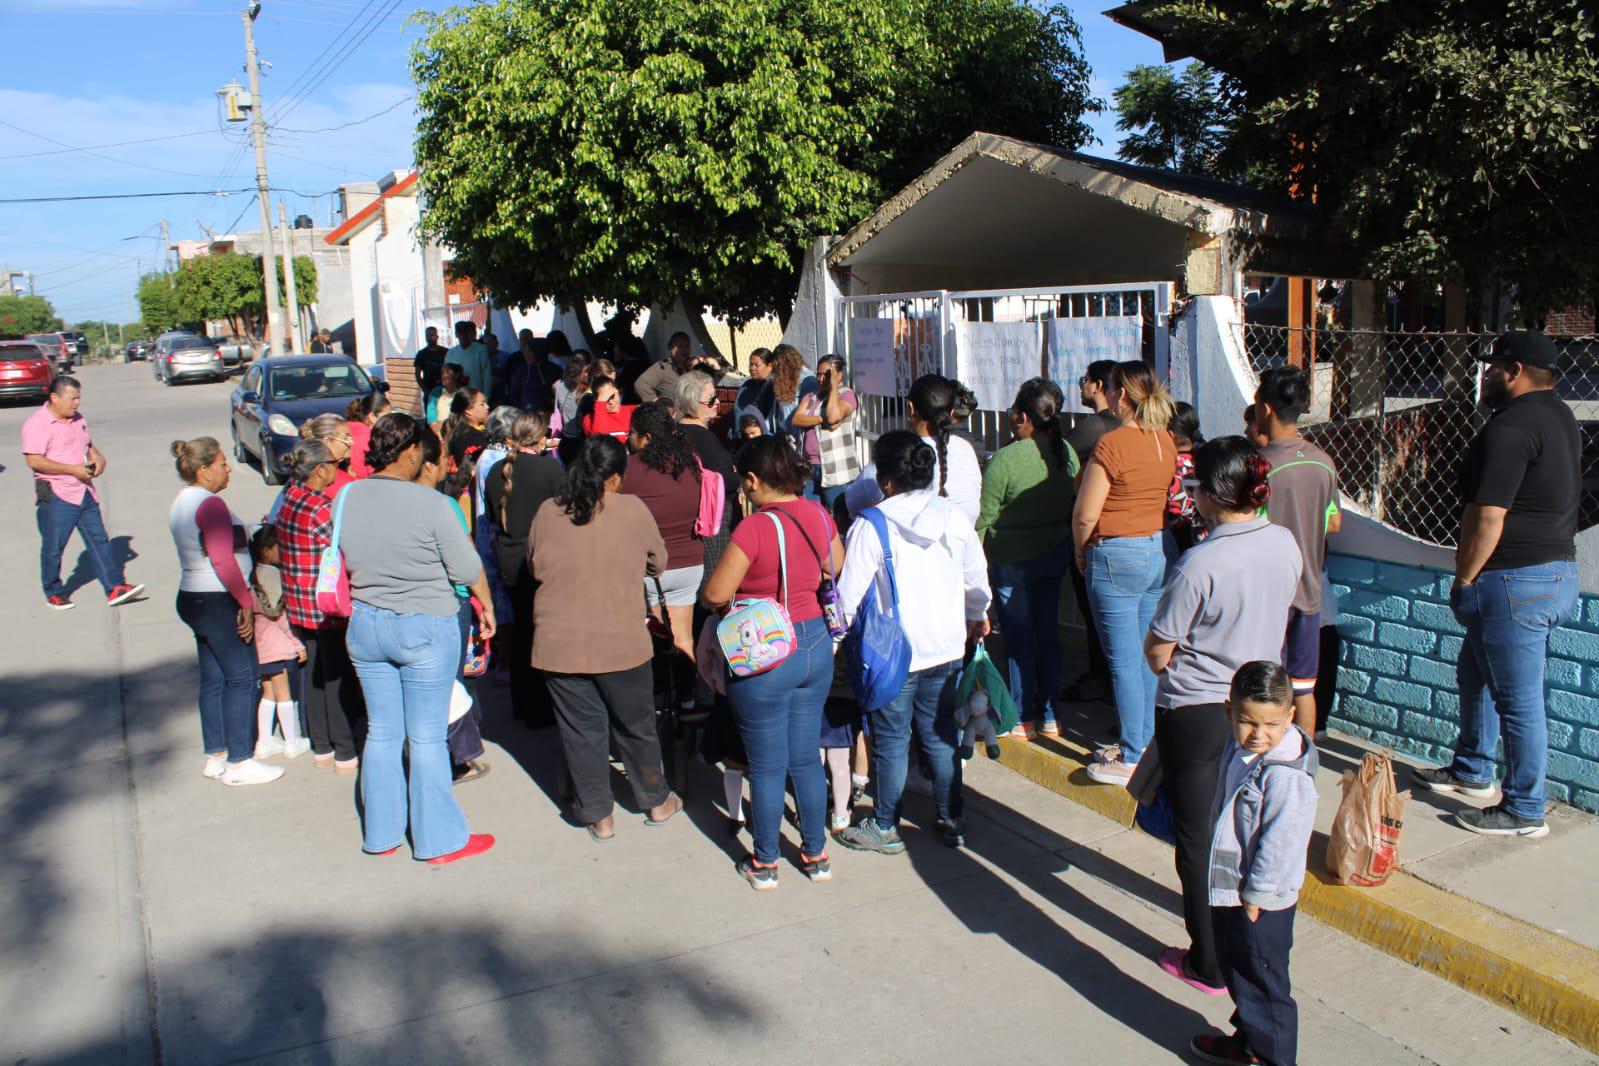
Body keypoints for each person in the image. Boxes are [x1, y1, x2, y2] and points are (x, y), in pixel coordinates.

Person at [1142, 437, 1302, 999]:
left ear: (1212, 495)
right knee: (1239, 832)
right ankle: (1230, 943)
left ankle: (1207, 961)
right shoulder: (1283, 543)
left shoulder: (1200, 561)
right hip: (1258, 709)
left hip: (1199, 710)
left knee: (1198, 838)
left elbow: (1159, 650)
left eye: (1194, 487)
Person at [1415, 331, 1580, 839]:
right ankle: (1472, 770)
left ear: (1516, 371)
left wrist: (1465, 578)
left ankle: (1526, 809)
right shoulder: (1562, 418)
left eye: (1493, 366)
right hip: (1550, 574)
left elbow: (1489, 516)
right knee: (1475, 674)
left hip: (1512, 581)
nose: (1485, 375)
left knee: (1518, 700)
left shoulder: (1509, 427)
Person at [338, 412, 497, 864]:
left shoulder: (347, 496)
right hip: (425, 624)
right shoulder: (429, 503)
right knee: (426, 737)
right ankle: (438, 840)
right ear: (410, 452)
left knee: (382, 731)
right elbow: (466, 569)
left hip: (367, 623)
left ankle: (382, 833)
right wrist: (487, 612)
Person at [835, 430, 991, 854]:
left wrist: (834, 641)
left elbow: (846, 598)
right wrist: (977, 615)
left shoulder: (871, 526)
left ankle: (885, 824)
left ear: (885, 482)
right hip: (945, 648)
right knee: (942, 736)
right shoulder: (954, 518)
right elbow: (976, 579)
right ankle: (951, 816)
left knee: (891, 742)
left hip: (891, 656)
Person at [702, 437, 845, 890]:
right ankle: (816, 854)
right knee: (805, 757)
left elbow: (717, 594)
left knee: (764, 764)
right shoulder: (819, 514)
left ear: (753, 479)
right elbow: (835, 564)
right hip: (815, 645)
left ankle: (765, 862)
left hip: (766, 650)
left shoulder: (755, 528)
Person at [528, 435, 684, 840]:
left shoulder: (549, 511)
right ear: (614, 478)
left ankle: (599, 816)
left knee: (582, 731)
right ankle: (656, 800)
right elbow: (659, 562)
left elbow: (533, 564)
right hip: (621, 639)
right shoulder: (632, 509)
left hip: (559, 642)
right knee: (636, 725)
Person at [1188, 661, 1318, 1066]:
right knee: (1240, 970)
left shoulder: (1284, 774)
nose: (1259, 735)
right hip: (1234, 888)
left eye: (1271, 725)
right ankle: (1249, 1042)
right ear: (1230, 712)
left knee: (1264, 981)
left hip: (1260, 900)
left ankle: (1273, 1056)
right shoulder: (1238, 747)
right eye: (1248, 722)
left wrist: (1257, 893)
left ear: (1290, 717)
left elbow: (1283, 843)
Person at [1074, 360, 1178, 784]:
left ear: (1118, 394)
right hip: (1155, 550)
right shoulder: (1164, 440)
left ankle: (1135, 752)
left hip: (1115, 554)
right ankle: (1146, 741)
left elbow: (1085, 515)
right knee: (1144, 656)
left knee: (1123, 660)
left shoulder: (1112, 444)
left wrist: (1081, 553)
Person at [167, 437, 281, 786]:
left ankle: (216, 753)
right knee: (243, 676)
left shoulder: (183, 501)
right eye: (220, 463)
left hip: (194, 596)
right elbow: (221, 558)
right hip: (218, 598)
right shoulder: (211, 505)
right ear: (203, 470)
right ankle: (239, 760)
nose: (227, 468)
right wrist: (245, 602)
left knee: (215, 677)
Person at [976, 378, 1080, 739]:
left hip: (1012, 560)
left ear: (1022, 417)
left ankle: (1022, 716)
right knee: (1047, 635)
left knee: (1019, 640)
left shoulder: (1005, 459)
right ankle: (1049, 714)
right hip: (1053, 553)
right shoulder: (1066, 452)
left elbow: (985, 517)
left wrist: (971, 569)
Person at [1252, 366, 1341, 733]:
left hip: (1266, 597)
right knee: (1304, 689)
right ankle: (1302, 765)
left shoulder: (1258, 468)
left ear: (1267, 408)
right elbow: (1333, 523)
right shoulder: (1323, 462)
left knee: (1260, 687)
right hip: (1309, 592)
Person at [275, 438, 365, 771]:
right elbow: (343, 546)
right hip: (324, 606)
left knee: (314, 671)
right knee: (336, 676)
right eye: (332, 463)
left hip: (299, 602)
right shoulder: (317, 508)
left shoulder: (290, 494)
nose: (336, 468)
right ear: (319, 469)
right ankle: (344, 748)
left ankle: (322, 743)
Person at [23, 375, 144, 609]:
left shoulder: (77, 419)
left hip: (84, 492)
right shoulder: (37, 425)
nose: (77, 403)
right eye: (72, 399)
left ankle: (115, 587)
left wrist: (97, 458)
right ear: (54, 398)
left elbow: (87, 445)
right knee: (54, 546)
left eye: (79, 398)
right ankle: (54, 591)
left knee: (99, 540)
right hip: (57, 494)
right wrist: (72, 469)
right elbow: (34, 461)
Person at [411, 425, 491, 783]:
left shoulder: (393, 503)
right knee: (451, 683)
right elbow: (466, 562)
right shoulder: (443, 505)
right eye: (443, 458)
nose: (449, 463)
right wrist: (485, 604)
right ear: (428, 466)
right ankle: (456, 759)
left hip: (408, 606)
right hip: (448, 603)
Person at [484, 411, 565, 726]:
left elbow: (492, 516)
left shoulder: (495, 472)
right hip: (542, 559)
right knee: (543, 632)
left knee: (520, 633)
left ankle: (523, 704)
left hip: (509, 558)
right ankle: (543, 705)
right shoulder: (550, 470)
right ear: (541, 438)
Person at [622, 402, 705, 665]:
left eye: (631, 433)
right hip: (691, 563)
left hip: (648, 568)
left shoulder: (628, 469)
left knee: (652, 642)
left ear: (646, 437)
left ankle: (659, 698)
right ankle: (692, 696)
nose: (627, 438)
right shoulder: (689, 462)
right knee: (684, 640)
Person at [1061, 359, 1121, 702]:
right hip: (1117, 529)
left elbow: (1060, 456)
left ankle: (1103, 679)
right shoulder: (1125, 427)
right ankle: (1102, 675)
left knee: (1095, 613)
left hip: (1092, 529)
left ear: (1098, 386)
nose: (1081, 386)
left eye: (1085, 380)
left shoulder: (1095, 426)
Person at [844, 374, 982, 524]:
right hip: (963, 543)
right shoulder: (966, 449)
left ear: (910, 408)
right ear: (951, 412)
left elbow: (851, 501)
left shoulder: (896, 452)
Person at [247, 525, 310, 759]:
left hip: (261, 646)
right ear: (265, 551)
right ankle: (292, 740)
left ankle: (264, 741)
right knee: (285, 694)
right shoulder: (273, 578)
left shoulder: (253, 575)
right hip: (279, 647)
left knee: (268, 694)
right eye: (278, 548)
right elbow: (281, 618)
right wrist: (298, 645)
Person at [673, 370, 738, 576]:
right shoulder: (701, 437)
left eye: (716, 397)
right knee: (715, 573)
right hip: (714, 516)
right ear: (693, 404)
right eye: (710, 400)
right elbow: (726, 481)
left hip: (694, 514)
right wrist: (737, 474)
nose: (717, 403)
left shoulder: (677, 432)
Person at [790, 353, 861, 510]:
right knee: (811, 515)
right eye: (819, 374)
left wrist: (834, 387)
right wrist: (823, 419)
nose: (821, 379)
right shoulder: (811, 397)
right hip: (810, 468)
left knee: (838, 514)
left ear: (838, 375)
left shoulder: (847, 395)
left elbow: (834, 415)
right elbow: (796, 420)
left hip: (835, 468)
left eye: (826, 375)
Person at [767, 343, 819, 457]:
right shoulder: (782, 381)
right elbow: (776, 414)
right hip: (785, 440)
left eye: (777, 367)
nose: (774, 372)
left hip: (799, 443)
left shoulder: (807, 381)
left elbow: (808, 411)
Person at [1166, 401, 1205, 552]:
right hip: (1202, 541)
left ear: (1170, 434)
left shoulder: (1170, 466)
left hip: (1177, 544)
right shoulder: (1206, 459)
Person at [299, 413, 356, 497]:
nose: (352, 442)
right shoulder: (337, 481)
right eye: (345, 437)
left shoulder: (305, 470)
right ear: (327, 441)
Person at [635, 330, 695, 404]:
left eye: (687, 346)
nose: (684, 350)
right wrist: (656, 404)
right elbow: (640, 385)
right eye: (679, 346)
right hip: (671, 414)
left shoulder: (694, 366)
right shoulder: (662, 367)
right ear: (670, 347)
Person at [344, 390, 390, 480]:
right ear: (372, 417)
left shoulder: (348, 432)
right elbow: (377, 474)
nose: (389, 420)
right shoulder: (371, 439)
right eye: (386, 416)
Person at [509, 332, 560, 413]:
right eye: (525, 351)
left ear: (539, 351)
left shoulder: (554, 370)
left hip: (549, 414)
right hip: (526, 414)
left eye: (530, 351)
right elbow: (514, 393)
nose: (526, 354)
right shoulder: (522, 370)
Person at [442, 388, 490, 469]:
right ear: (468, 411)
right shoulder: (464, 437)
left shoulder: (483, 429)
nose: (487, 407)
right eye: (482, 404)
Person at [447, 320, 492, 404]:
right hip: (457, 399)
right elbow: (447, 377)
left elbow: (487, 376)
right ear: (456, 334)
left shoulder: (481, 350)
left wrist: (485, 398)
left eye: (464, 332)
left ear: (469, 333)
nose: (462, 336)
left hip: (477, 398)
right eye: (460, 333)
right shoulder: (451, 353)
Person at [734, 347, 776, 435]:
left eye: (757, 365)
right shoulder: (745, 387)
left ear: (770, 366)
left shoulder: (774, 388)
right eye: (751, 364)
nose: (752, 368)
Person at [581, 376, 635, 441]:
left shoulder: (631, 411)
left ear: (617, 391)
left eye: (612, 396)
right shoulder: (589, 420)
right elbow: (599, 442)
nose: (611, 402)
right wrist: (600, 404)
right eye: (605, 399)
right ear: (596, 401)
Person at [413, 325, 449, 398]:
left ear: (437, 336)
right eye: (428, 335)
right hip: (429, 390)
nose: (430, 337)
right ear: (425, 337)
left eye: (432, 335)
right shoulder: (421, 354)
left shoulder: (446, 352)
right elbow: (417, 374)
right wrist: (425, 390)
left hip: (445, 390)